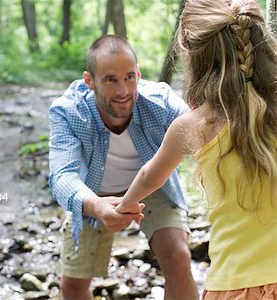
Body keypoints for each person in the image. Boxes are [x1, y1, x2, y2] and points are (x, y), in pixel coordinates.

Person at [116, 0, 277, 299]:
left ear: (194, 58)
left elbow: (151, 176)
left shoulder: (193, 126)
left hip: (234, 283)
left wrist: (126, 204)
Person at [49, 34, 198, 299]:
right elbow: (62, 177)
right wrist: (97, 206)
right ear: (89, 81)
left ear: (138, 74)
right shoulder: (68, 111)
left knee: (178, 256)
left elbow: (201, 129)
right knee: (72, 288)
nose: (123, 91)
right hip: (93, 193)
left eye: (130, 77)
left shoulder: (160, 101)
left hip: (154, 187)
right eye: (110, 80)